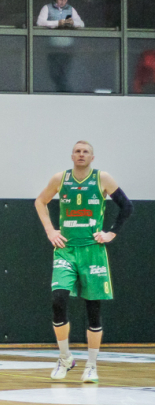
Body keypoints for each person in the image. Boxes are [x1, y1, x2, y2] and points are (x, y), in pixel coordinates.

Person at [34, 141, 132, 383]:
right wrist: (50, 231)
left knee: (93, 310)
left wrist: (111, 233)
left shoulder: (102, 178)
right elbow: (40, 201)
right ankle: (65, 357)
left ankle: (91, 365)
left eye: (85, 151)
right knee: (58, 300)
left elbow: (127, 206)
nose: (81, 154)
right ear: (71, 156)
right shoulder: (60, 178)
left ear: (92, 157)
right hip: (66, 249)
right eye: (77, 151)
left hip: (92, 251)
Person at [37, 0, 84, 93]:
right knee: (54, 74)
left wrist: (72, 23)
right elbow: (40, 22)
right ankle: (64, 93)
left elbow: (81, 24)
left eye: (65, 0)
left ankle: (64, 93)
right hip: (53, 47)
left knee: (64, 74)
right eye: (60, 0)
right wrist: (58, 23)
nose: (62, 2)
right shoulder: (47, 8)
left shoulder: (71, 9)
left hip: (67, 47)